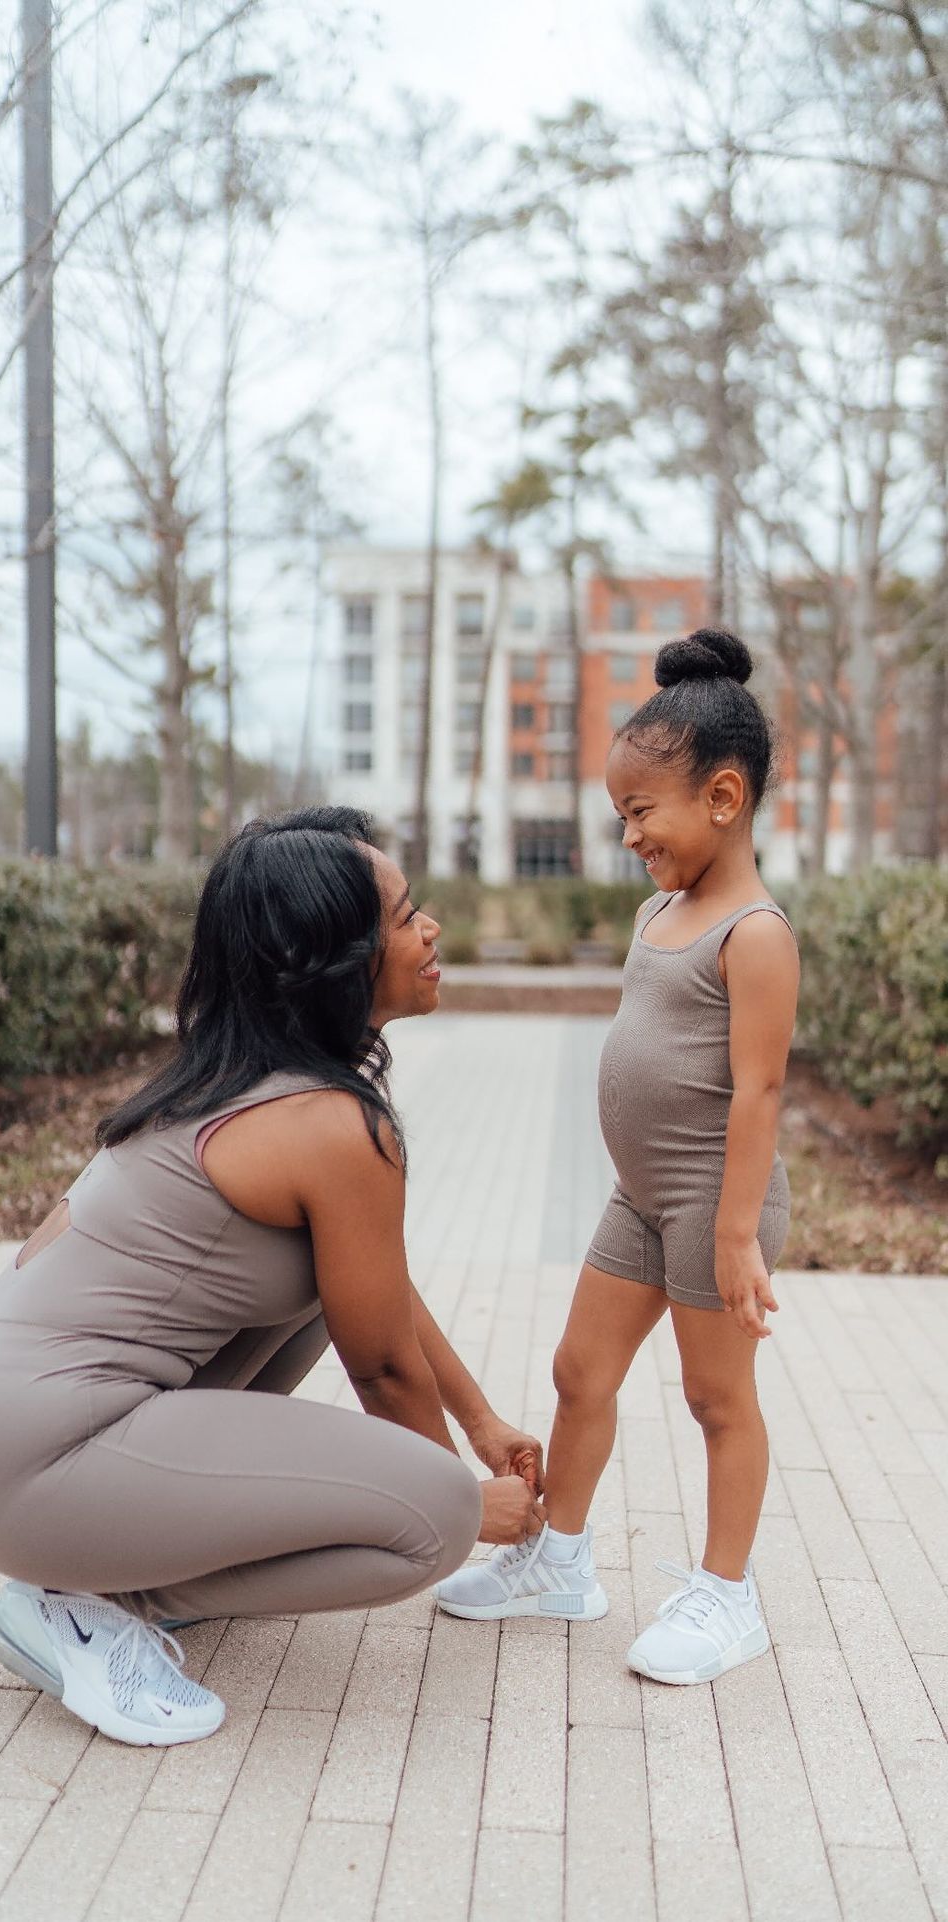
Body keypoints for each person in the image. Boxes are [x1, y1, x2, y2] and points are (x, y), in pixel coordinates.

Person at [0, 808, 544, 1746]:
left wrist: (481, 1421)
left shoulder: (243, 1080)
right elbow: (383, 1369)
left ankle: (97, 1565)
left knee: (325, 1299)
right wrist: (456, 1500)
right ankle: (90, 1603)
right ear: (331, 958)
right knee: (429, 1525)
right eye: (405, 915)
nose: (431, 929)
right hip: (35, 1454)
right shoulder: (332, 1126)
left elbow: (375, 1290)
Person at [435, 629, 800, 1686]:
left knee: (716, 1399)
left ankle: (728, 1595)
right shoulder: (660, 910)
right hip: (639, 1197)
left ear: (723, 798)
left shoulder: (756, 933)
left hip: (714, 1207)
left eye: (642, 812)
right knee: (578, 1371)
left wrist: (737, 1232)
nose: (629, 835)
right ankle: (560, 1561)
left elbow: (760, 1092)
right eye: (621, 816)